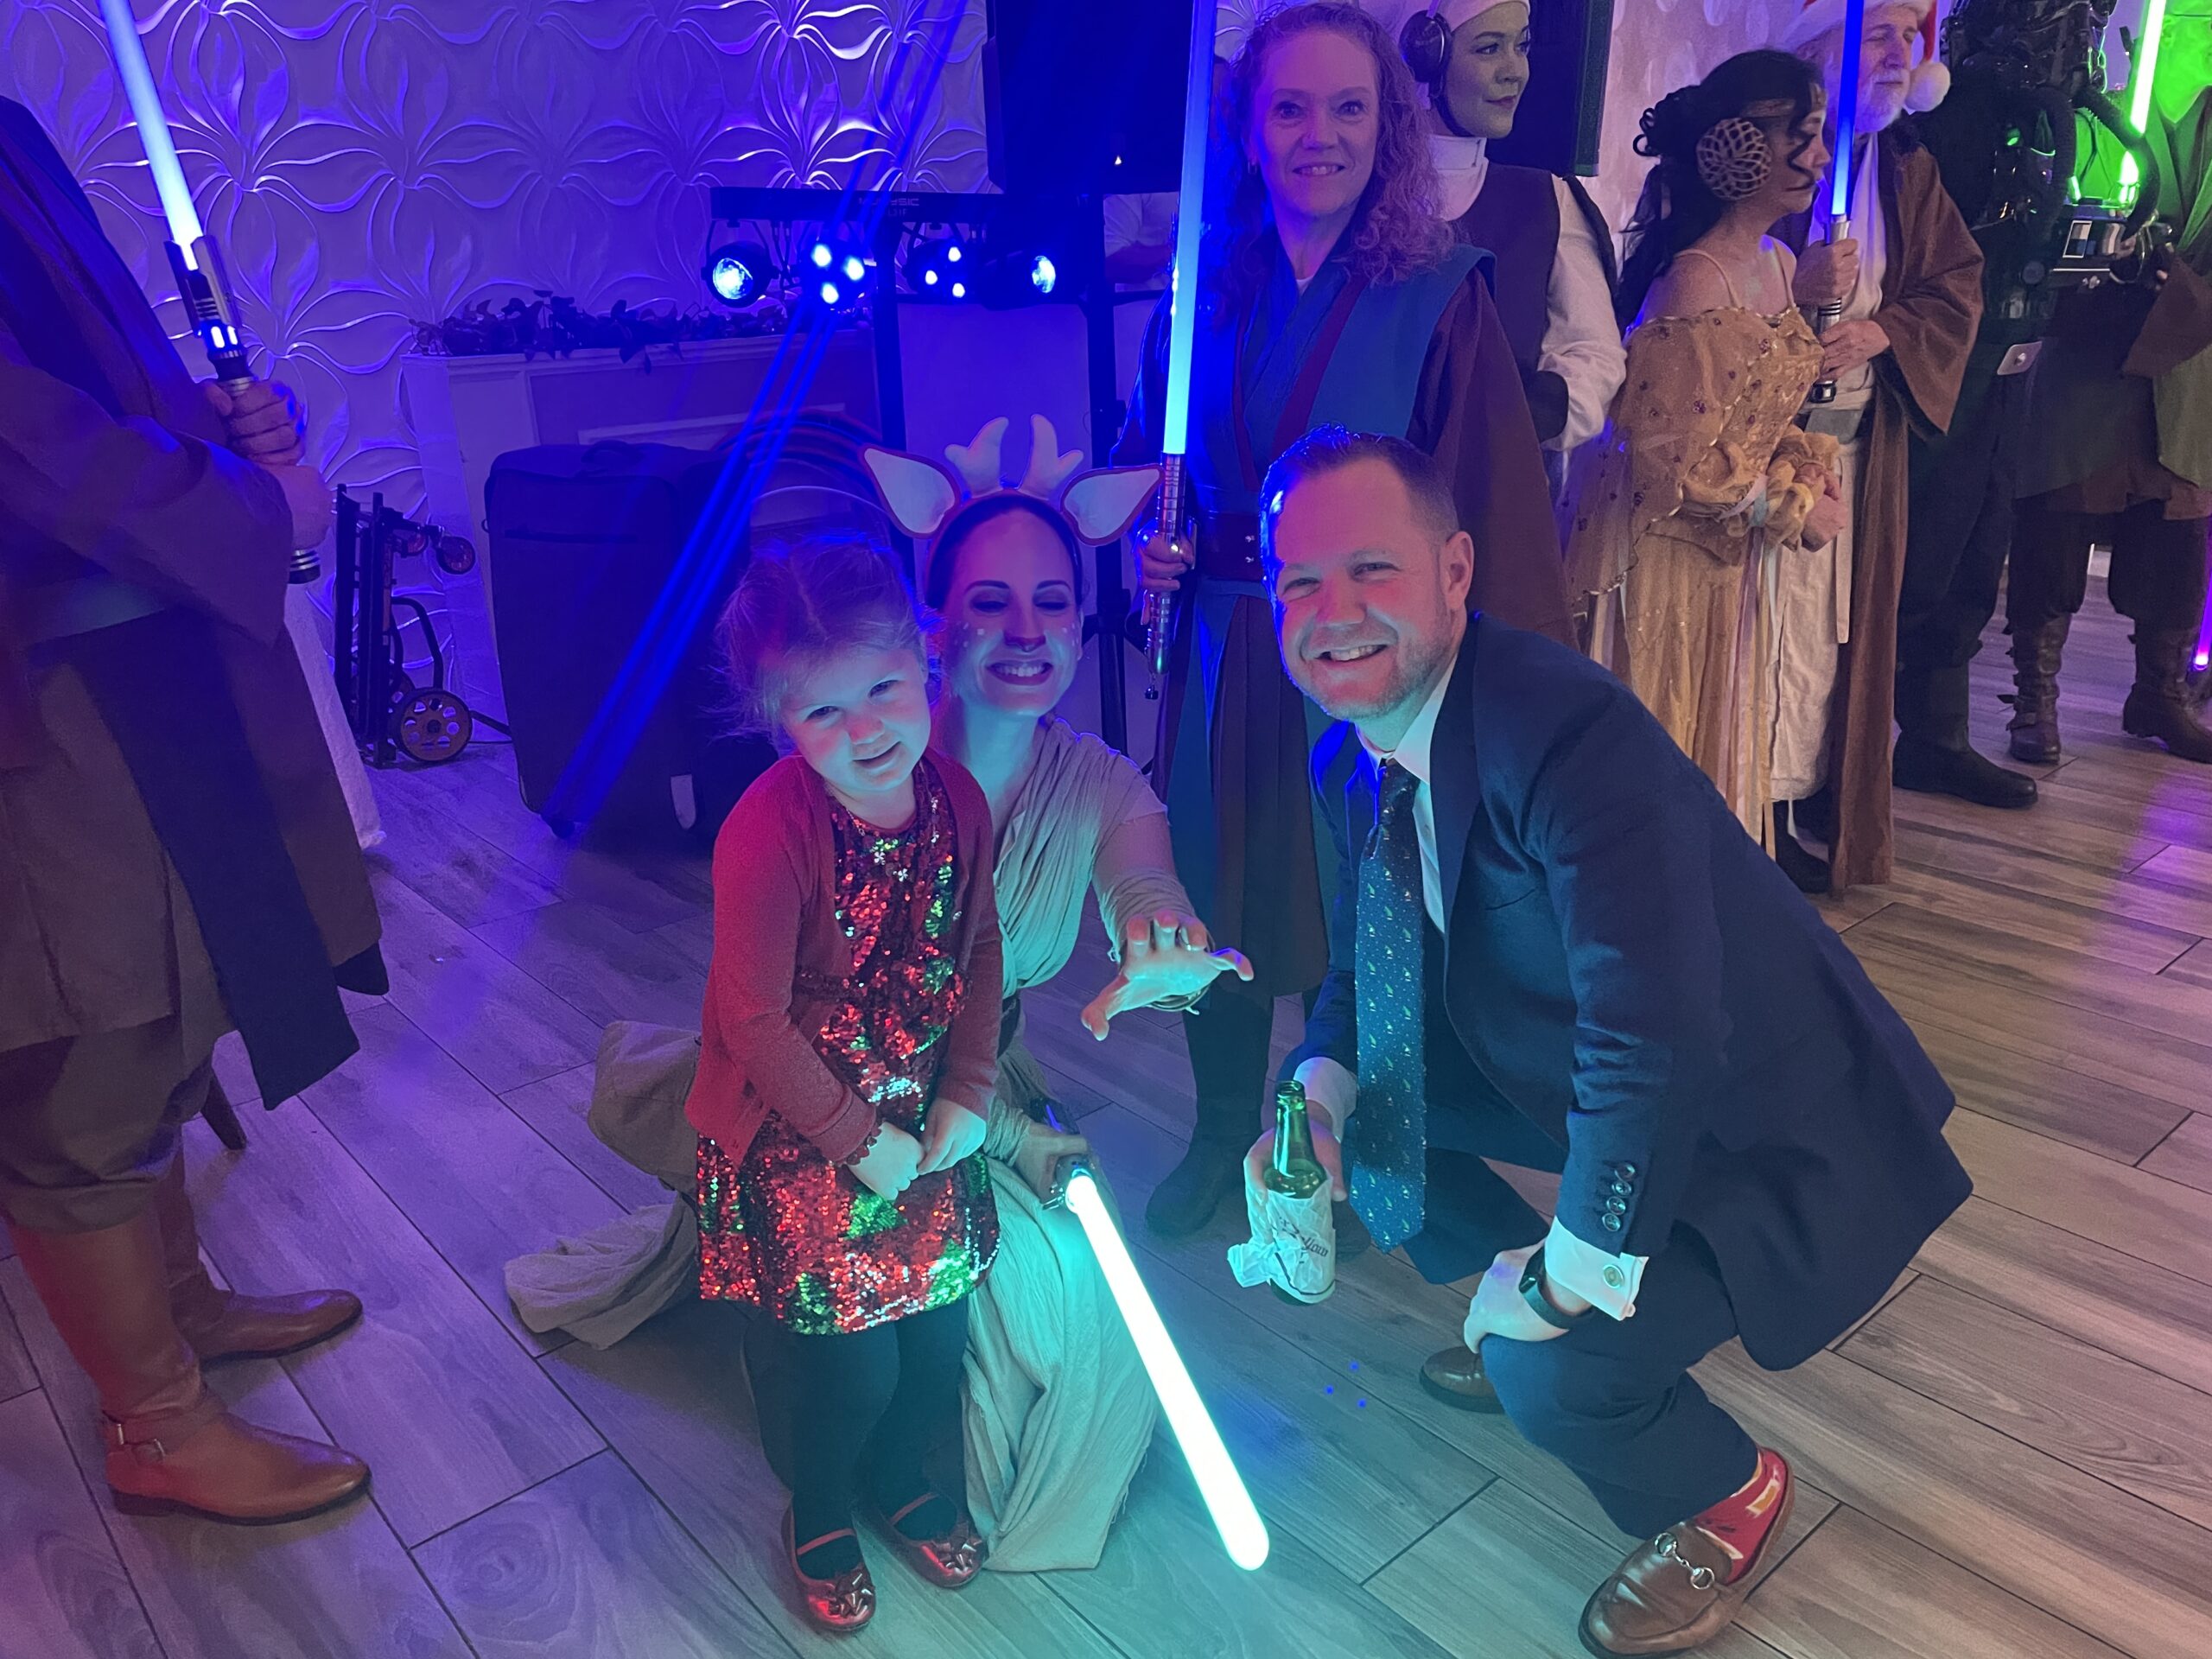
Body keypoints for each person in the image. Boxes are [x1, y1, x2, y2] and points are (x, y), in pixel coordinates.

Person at [1252, 425, 1968, 1656]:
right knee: (1373, 1120)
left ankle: (1718, 1490)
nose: (1334, 612)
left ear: (1456, 573)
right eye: (1299, 583)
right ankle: (1540, 1313)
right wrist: (1310, 1105)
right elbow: (1368, 977)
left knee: (1556, 1375)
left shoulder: (1567, 732)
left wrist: (1562, 1281)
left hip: (1764, 1123)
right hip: (1595, 1069)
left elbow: (1658, 1032)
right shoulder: (1350, 761)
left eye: (1372, 570)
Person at [1118, 0, 1569, 1241]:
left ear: (1388, 127)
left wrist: (1505, 704)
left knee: (1366, 902)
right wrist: (1152, 544)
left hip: (1371, 657)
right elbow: (1145, 472)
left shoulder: (1441, 298)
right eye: (1289, 108)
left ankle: (1346, 1147)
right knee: (1214, 889)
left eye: (1349, 107)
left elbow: (1491, 507)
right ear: (1248, 130)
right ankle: (1222, 1130)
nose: (1319, 134)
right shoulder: (1204, 297)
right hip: (1224, 651)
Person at [0, 98, 382, 1525]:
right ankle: (153, 1426)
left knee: (168, 1002)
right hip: (39, 683)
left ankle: (179, 1302)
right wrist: (257, 507)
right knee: (90, 1042)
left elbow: (83, 383)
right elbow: (26, 438)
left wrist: (217, 437)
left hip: (125, 654)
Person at [687, 536, 1002, 1633]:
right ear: (779, 719)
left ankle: (904, 1477)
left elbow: (978, 943)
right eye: (824, 711)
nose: (866, 730)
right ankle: (817, 1503)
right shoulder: (768, 832)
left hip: (921, 1109)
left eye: (883, 690)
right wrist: (853, 1138)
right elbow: (751, 1020)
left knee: (939, 1338)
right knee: (848, 1362)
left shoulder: (957, 799)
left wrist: (971, 1084)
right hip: (800, 1122)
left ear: (925, 664)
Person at [1562, 52, 1847, 878]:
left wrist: (1803, 466)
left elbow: (1761, 416)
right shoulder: (1693, 282)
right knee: (1660, 733)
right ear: (1741, 148)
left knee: (1711, 732)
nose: (1819, 157)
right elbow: (1672, 466)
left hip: (1724, 557)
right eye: (1801, 137)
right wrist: (1791, 508)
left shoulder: (1779, 264)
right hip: (1661, 556)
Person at [1776, 0, 1986, 882]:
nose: (1900, 53)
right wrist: (1793, 283)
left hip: (1864, 451)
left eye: (1910, 36)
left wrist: (1884, 329)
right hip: (1774, 447)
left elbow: (1956, 283)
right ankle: (1761, 808)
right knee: (1776, 630)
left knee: (1837, 635)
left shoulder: (1905, 167)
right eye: (1877, 34)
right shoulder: (1774, 156)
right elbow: (1701, 285)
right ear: (1822, 47)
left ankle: (1820, 796)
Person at [2004, 81, 2212, 765]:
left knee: (2177, 528)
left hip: (2191, 360)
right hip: (2090, 351)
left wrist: (2179, 282)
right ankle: (2034, 700)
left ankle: (2160, 693)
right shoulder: (2109, 89)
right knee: (2058, 518)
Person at [1383, 1, 1626, 481]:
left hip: (1495, 490)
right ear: (1426, 58)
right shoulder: (1364, 196)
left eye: (1522, 46)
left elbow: (1595, 356)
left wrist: (1512, 419)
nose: (1515, 71)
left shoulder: (1547, 201)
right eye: (1489, 48)